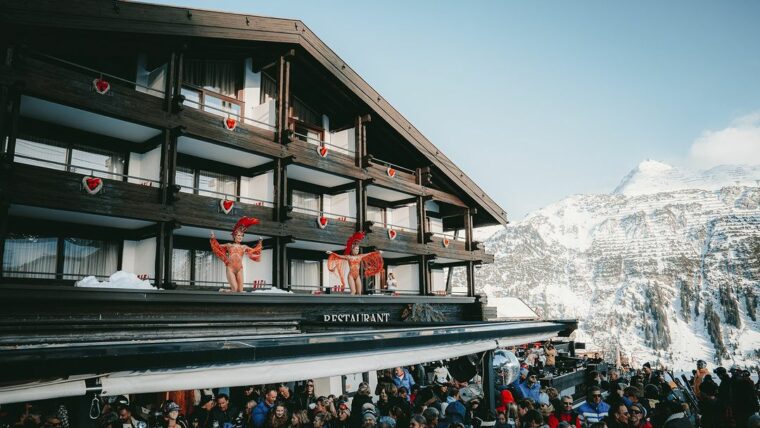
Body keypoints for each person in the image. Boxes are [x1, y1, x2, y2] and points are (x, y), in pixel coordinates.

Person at [210, 217, 263, 292]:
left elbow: (255, 251)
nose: (240, 237)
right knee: (234, 289)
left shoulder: (244, 247)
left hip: (239, 269)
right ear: (234, 236)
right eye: (238, 235)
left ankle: (229, 293)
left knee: (240, 291)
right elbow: (217, 247)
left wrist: (260, 242)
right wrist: (213, 238)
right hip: (230, 268)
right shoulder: (229, 245)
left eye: (242, 236)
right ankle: (223, 291)